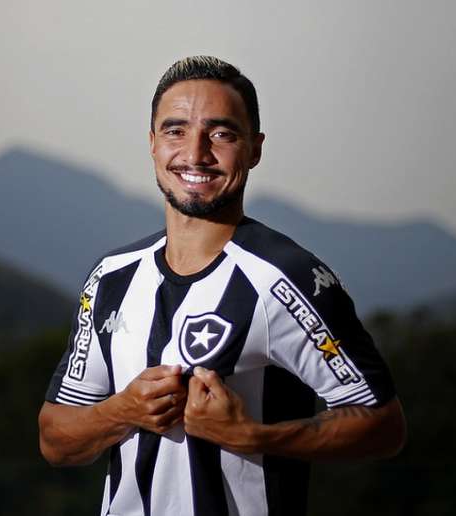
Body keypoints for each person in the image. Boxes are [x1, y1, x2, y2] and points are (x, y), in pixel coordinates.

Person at [38, 56, 406, 516]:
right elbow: (56, 439)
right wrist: (121, 411)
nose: (195, 154)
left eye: (221, 134)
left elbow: (384, 426)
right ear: (152, 143)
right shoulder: (111, 277)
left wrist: (252, 436)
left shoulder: (286, 278)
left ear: (254, 148)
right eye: (175, 131)